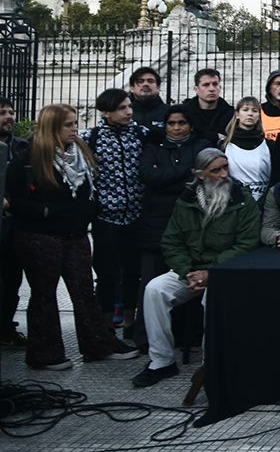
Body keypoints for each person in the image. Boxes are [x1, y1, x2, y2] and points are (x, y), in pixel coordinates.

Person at [7, 104, 139, 369]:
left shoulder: (80, 153)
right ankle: (45, 354)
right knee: (44, 294)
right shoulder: (29, 158)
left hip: (76, 235)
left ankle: (97, 345)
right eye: (68, 125)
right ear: (52, 127)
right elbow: (13, 200)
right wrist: (47, 211)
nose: (74, 129)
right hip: (40, 236)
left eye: (75, 123)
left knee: (83, 291)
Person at [135, 148, 259, 387]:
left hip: (225, 272)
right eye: (216, 170)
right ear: (200, 175)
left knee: (211, 300)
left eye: (226, 168)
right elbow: (171, 241)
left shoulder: (242, 198)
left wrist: (211, 271)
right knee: (154, 290)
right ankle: (161, 361)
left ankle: (210, 366)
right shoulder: (187, 200)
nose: (224, 174)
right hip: (191, 271)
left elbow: (247, 243)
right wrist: (187, 272)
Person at [136, 106, 213, 344]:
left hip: (192, 224)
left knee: (187, 279)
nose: (177, 128)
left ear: (190, 125)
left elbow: (203, 179)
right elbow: (148, 176)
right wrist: (185, 174)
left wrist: (165, 176)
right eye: (171, 123)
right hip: (156, 224)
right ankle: (147, 339)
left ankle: (187, 337)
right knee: (152, 283)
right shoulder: (152, 148)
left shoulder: (200, 146)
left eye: (181, 123)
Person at [85, 87, 151, 333]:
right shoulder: (91, 137)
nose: (128, 112)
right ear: (107, 111)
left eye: (129, 107)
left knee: (132, 272)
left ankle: (129, 320)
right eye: (122, 108)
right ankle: (104, 324)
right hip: (106, 217)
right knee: (106, 273)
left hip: (135, 215)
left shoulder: (141, 133)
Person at [1, 96, 31, 347]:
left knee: (12, 279)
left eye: (11, 111)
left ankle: (6, 328)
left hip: (16, 223)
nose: (9, 116)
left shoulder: (22, 147)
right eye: (2, 112)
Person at [221, 97, 274, 203]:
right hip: (234, 202)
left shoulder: (270, 145)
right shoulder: (224, 145)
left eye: (254, 111)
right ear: (237, 114)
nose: (250, 114)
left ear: (259, 116)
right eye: (245, 110)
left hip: (264, 202)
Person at [181, 68, 235, 145]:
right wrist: (214, 136)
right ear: (196, 89)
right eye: (206, 85)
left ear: (220, 87)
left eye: (215, 84)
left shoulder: (230, 114)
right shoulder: (184, 112)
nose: (211, 89)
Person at [129, 66, 168, 131]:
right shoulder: (122, 114)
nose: (146, 84)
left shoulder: (168, 113)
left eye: (150, 81)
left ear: (158, 87)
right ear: (132, 88)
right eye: (140, 81)